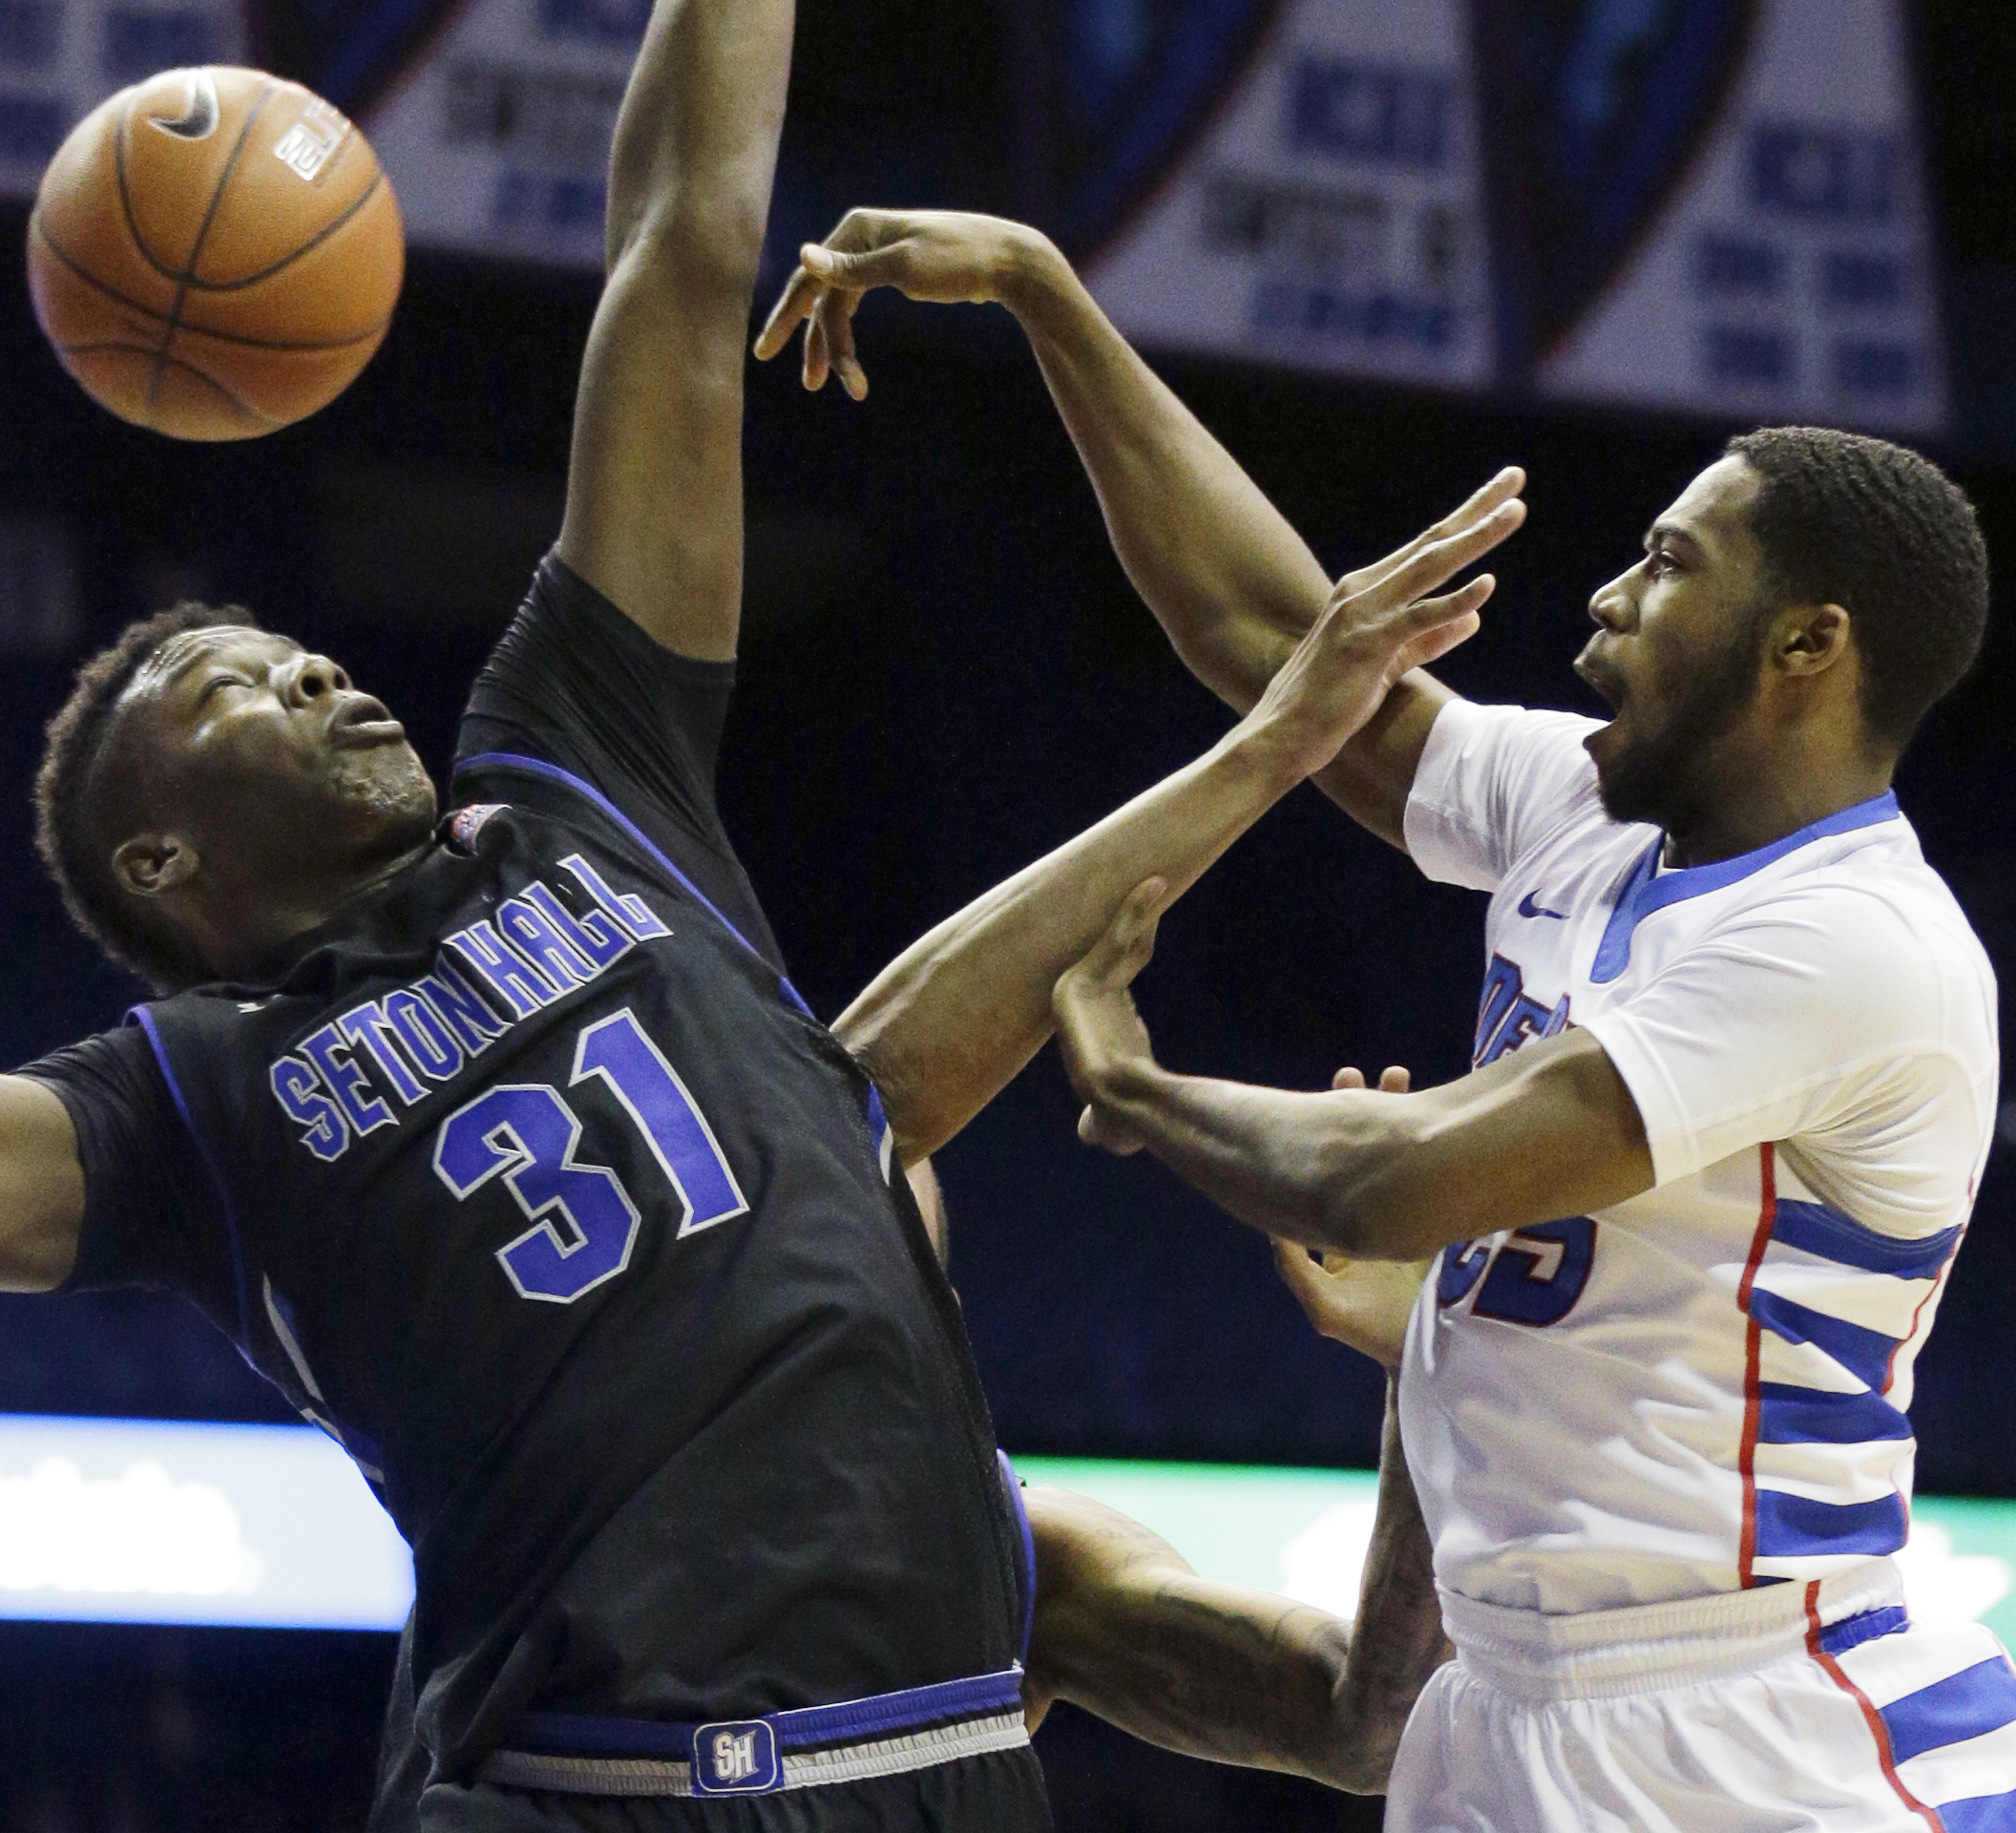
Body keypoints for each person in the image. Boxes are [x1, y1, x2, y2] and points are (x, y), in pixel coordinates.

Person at [1, 24, 1513, 1828]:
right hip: (599, 1786)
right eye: (219, 682)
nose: (308, 663)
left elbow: (682, 242)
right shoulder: (192, 1095)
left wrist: (1448, 1357)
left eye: (285, 641)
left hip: (927, 1782)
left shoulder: (572, 774)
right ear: (160, 863)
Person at [762, 210, 2016, 1830]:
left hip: (1759, 1729)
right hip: (1510, 1700)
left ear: (1809, 646)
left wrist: (1132, 1081)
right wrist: (1043, 297)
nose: (1608, 602)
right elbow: (1278, 653)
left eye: (1668, 565)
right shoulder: (1590, 809)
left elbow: (1388, 1179)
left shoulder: (1856, 942)